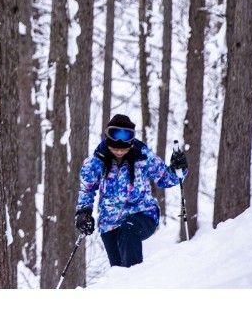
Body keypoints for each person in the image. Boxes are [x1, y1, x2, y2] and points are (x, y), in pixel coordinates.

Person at [74, 114, 188, 268]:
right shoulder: (95, 162)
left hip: (144, 214)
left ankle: (135, 283)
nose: (119, 152)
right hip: (109, 223)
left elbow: (166, 178)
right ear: (107, 142)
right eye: (115, 148)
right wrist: (83, 212)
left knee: (128, 231)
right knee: (119, 270)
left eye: (124, 149)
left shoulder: (142, 156)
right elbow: (87, 190)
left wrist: (178, 168)